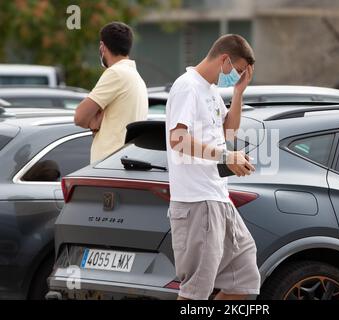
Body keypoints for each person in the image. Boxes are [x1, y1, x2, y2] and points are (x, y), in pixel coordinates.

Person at [166, 34, 260, 300]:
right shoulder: (187, 87)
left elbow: (228, 132)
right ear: (224, 60)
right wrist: (225, 157)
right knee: (196, 290)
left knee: (244, 278)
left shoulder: (210, 90)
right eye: (238, 70)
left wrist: (238, 92)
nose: (237, 75)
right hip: (197, 202)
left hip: (218, 198)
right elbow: (177, 139)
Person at [74, 21, 148, 163]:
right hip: (124, 162)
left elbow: (79, 117)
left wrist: (93, 122)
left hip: (108, 165)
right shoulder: (135, 76)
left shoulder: (116, 73)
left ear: (102, 47)